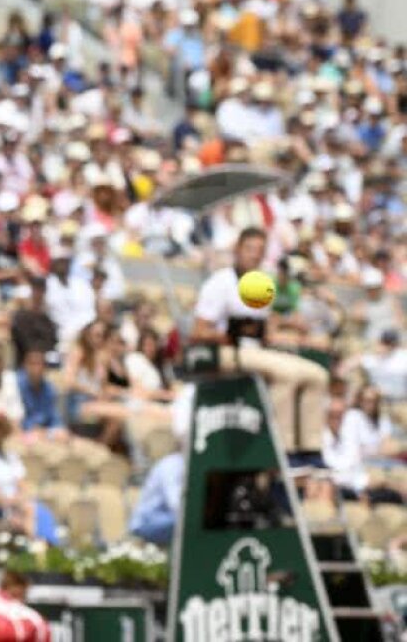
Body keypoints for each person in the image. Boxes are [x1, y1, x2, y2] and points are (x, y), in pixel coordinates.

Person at [191, 227, 329, 458]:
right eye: (249, 249)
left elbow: (264, 333)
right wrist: (227, 335)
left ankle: (311, 450)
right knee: (287, 374)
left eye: (260, 250)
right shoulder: (220, 282)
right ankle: (282, 451)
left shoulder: (262, 285)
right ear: (237, 250)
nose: (255, 255)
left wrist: (305, 339)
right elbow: (198, 332)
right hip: (228, 352)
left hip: (256, 353)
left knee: (317, 375)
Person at [128, 450, 185, 546]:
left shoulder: (186, 464)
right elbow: (175, 503)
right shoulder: (172, 464)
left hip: (168, 519)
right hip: (146, 523)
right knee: (189, 524)